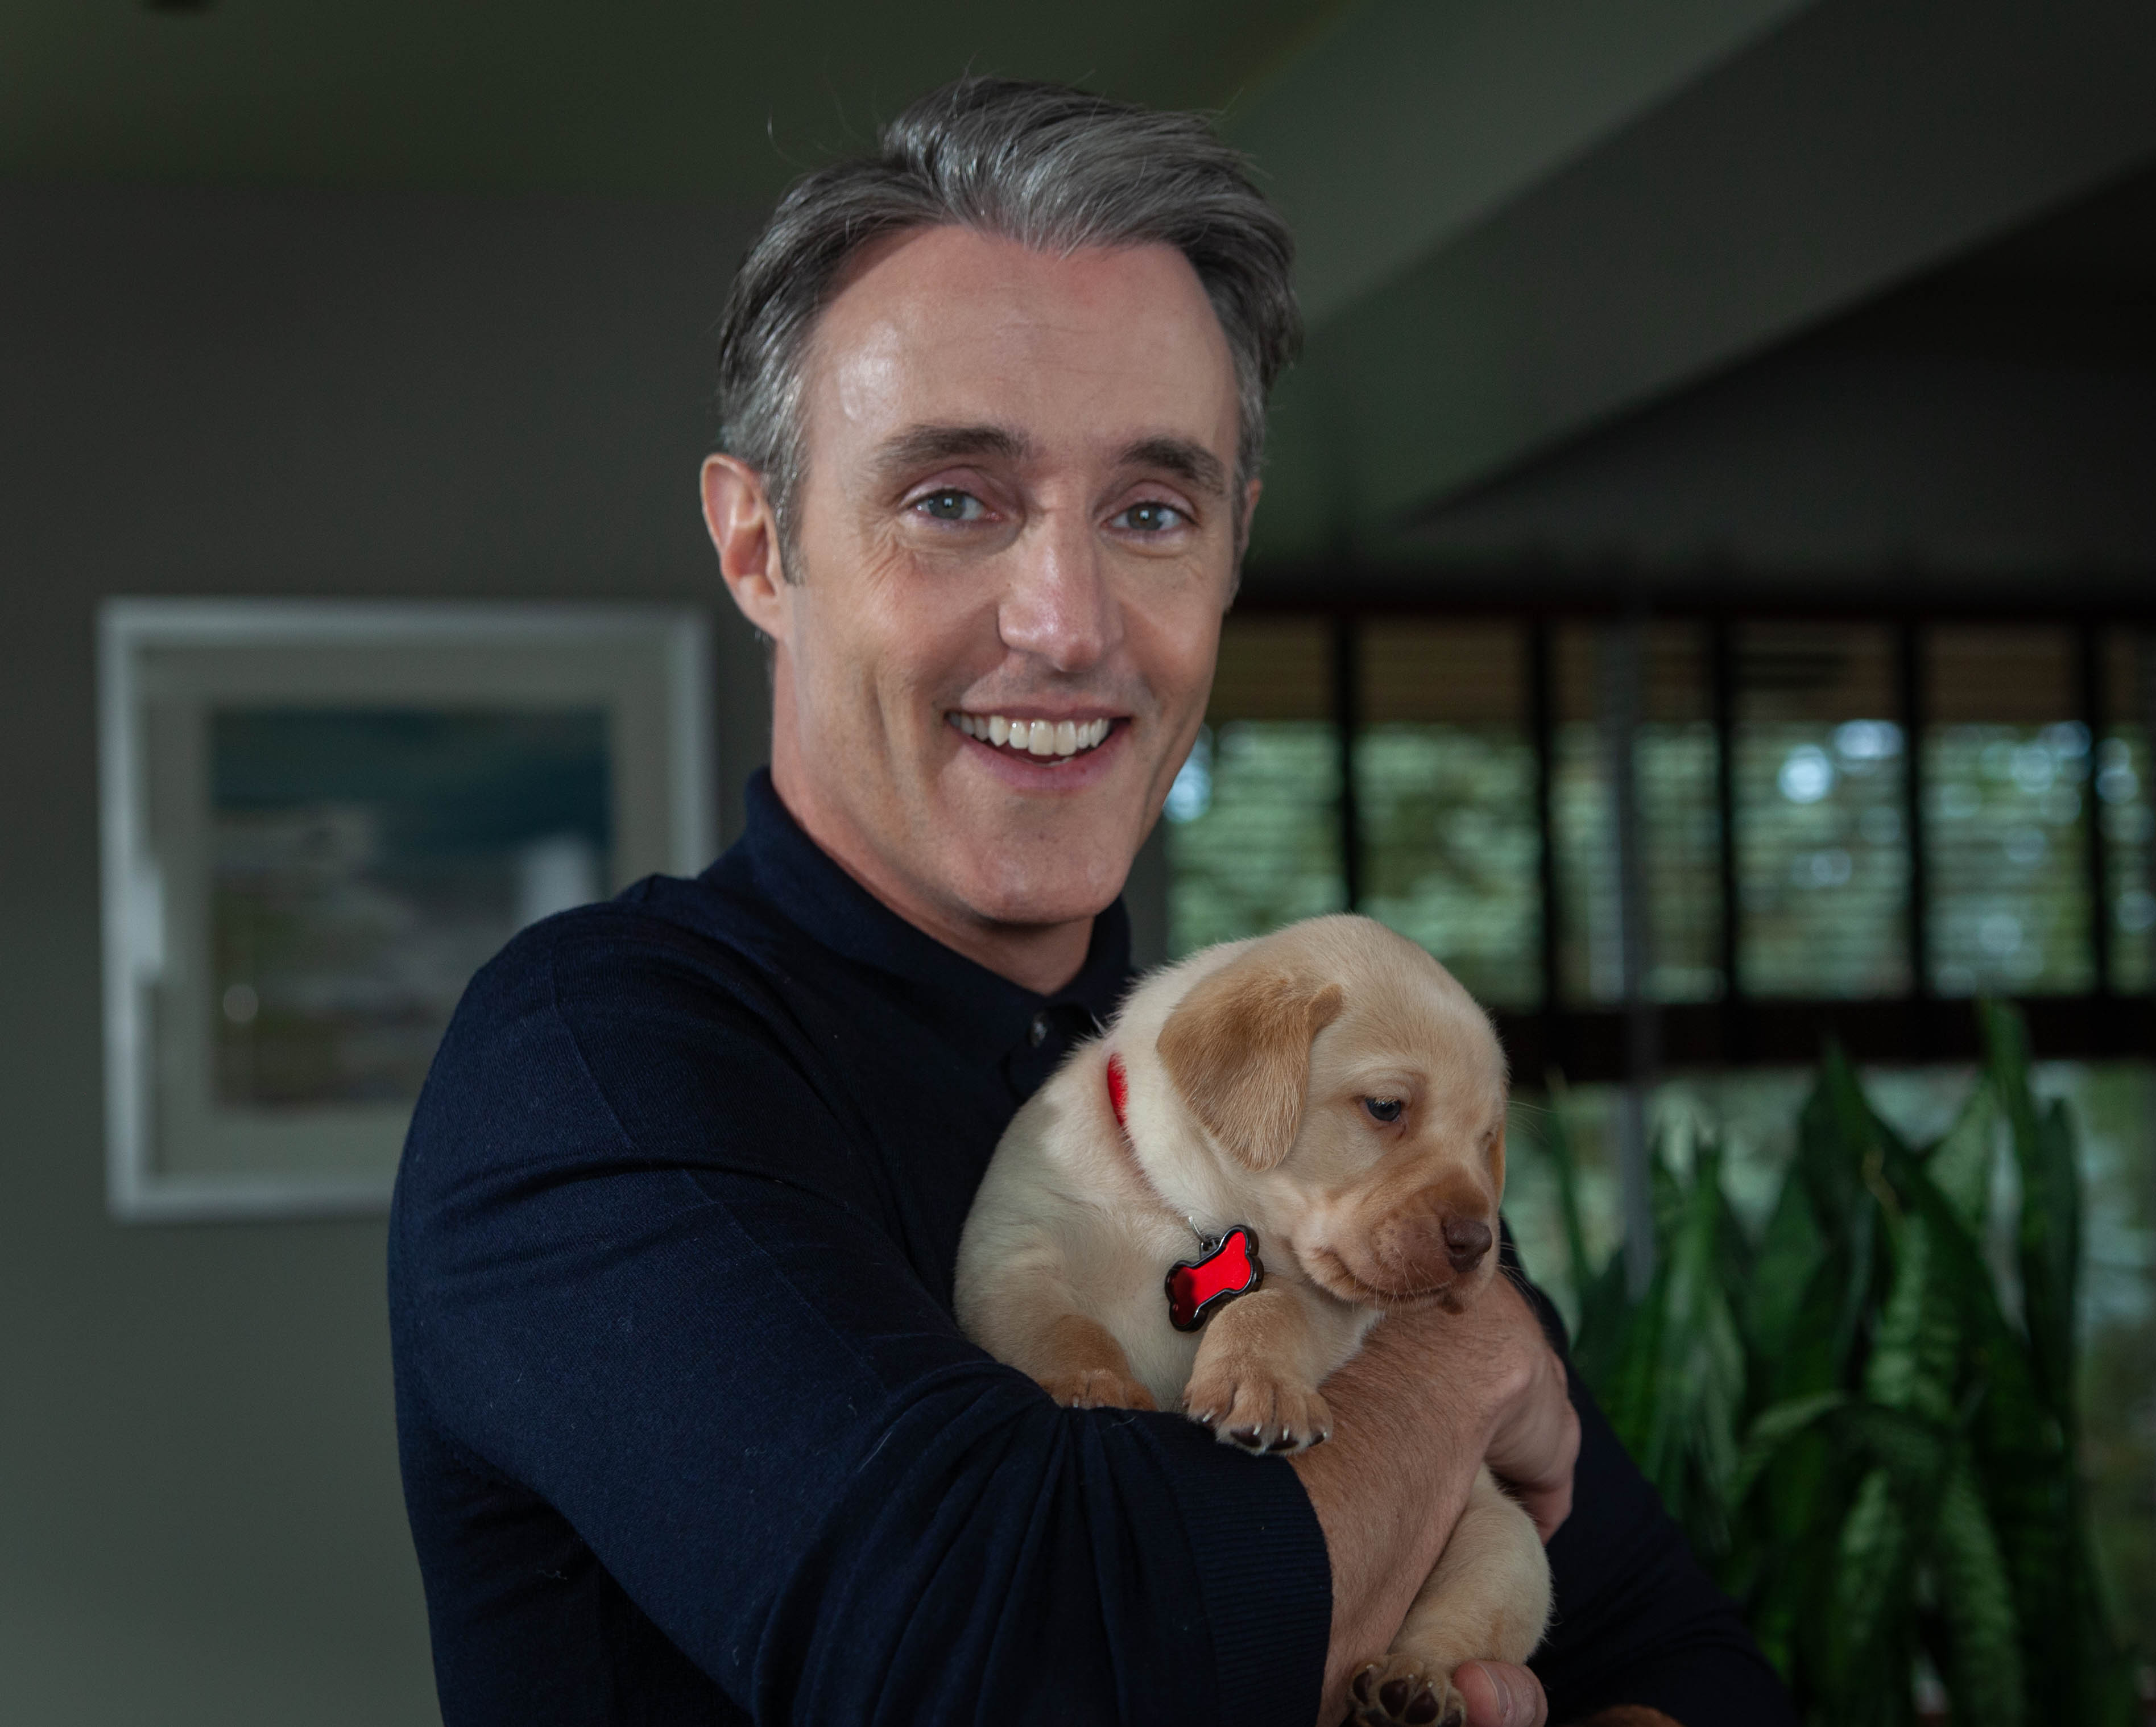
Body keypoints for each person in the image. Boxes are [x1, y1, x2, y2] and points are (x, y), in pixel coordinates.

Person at [388, 77, 1790, 1727]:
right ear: (761, 546)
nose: (1065, 622)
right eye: (952, 499)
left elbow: (1690, 1669)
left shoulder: (1298, 1080)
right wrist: (1460, 1366)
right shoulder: (596, 1063)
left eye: (1148, 511)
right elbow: (1024, 1661)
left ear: (1232, 550)